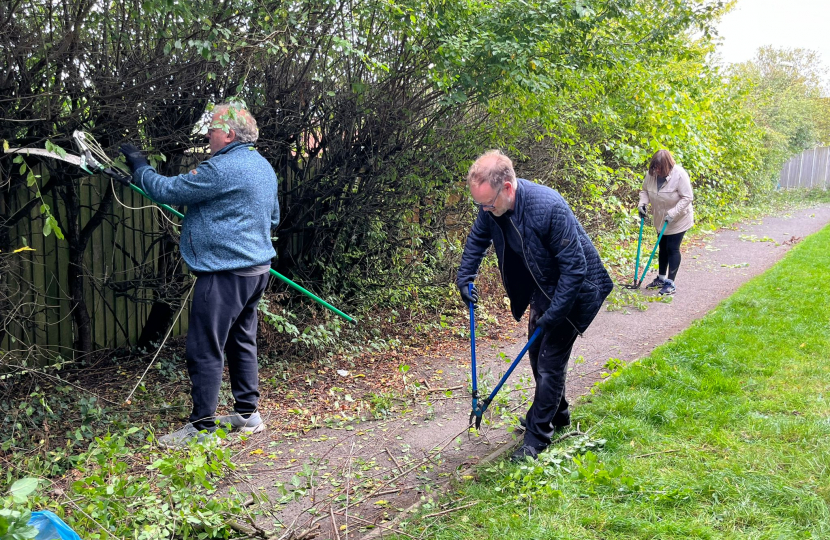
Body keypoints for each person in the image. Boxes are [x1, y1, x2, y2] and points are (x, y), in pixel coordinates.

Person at [120, 103, 280, 446]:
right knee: (241, 340)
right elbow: (274, 219)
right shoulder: (263, 167)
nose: (208, 135)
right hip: (256, 272)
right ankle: (248, 414)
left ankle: (202, 428)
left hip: (225, 274)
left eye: (212, 129)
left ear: (229, 134)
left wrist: (140, 166)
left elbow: (166, 191)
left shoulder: (222, 169)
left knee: (205, 347)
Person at [456, 150, 613, 462]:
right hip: (544, 289)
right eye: (480, 205)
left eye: (488, 203)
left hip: (576, 291)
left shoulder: (549, 207)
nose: (484, 210)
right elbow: (478, 239)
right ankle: (559, 414)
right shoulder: (492, 208)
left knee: (549, 363)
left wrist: (555, 315)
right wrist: (465, 276)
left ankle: (536, 440)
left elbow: (575, 269)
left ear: (508, 188)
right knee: (536, 354)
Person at [637, 149, 694, 295]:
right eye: (654, 167)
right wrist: (642, 204)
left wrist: (673, 213)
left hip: (679, 218)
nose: (656, 171)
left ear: (667, 165)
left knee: (672, 248)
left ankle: (670, 283)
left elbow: (687, 197)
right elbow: (644, 191)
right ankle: (661, 278)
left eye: (659, 168)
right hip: (661, 218)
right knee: (662, 247)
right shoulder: (651, 175)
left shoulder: (679, 175)